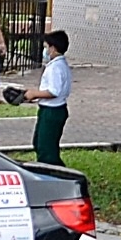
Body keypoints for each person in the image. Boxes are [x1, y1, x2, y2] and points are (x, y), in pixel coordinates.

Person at [15, 30, 72, 166]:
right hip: (51, 109)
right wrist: (30, 96)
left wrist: (35, 93)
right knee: (40, 143)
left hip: (52, 112)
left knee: (46, 149)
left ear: (53, 48)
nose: (45, 51)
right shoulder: (59, 65)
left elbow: (53, 91)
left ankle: (57, 175)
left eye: (46, 47)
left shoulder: (55, 68)